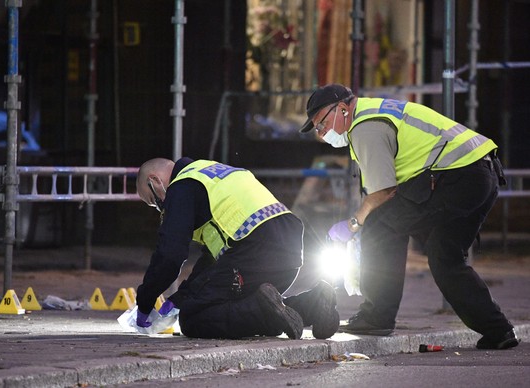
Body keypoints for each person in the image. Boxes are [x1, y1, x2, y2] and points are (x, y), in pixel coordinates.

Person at [298, 83, 519, 350]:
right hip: (481, 173)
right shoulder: (374, 114)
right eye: (318, 130)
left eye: (322, 124)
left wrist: (354, 224)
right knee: (444, 258)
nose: (322, 135)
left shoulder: (365, 126)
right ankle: (499, 331)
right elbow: (383, 191)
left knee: (381, 225)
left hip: (457, 177)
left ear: (343, 109)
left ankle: (376, 316)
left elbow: (384, 191)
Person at [134, 157, 340, 340]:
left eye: (154, 202)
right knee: (234, 304)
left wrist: (145, 302)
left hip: (255, 247)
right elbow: (212, 262)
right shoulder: (211, 172)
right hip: (287, 249)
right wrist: (183, 296)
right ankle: (313, 305)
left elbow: (170, 254)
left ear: (155, 181)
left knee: (193, 319)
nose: (160, 208)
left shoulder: (182, 185)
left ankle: (269, 314)